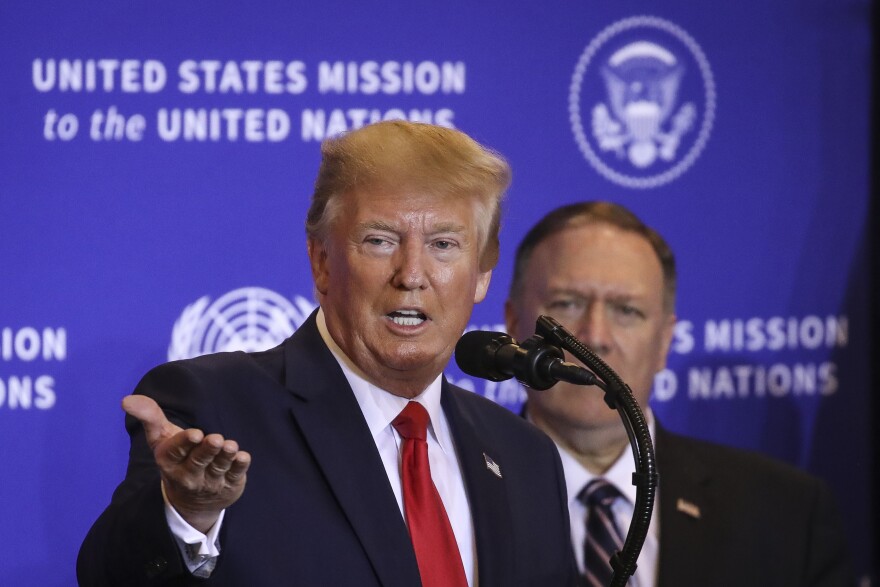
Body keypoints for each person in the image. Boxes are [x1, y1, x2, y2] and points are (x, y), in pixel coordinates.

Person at [77, 121, 578, 586]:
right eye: (380, 241)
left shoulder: (525, 456)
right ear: (321, 262)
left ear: (483, 274)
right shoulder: (214, 411)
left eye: (444, 244)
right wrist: (187, 513)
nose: (411, 274)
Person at [504, 201, 854, 587]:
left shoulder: (786, 513)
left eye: (627, 311)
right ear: (514, 324)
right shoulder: (453, 488)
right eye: (566, 305)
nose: (595, 337)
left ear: (665, 342)